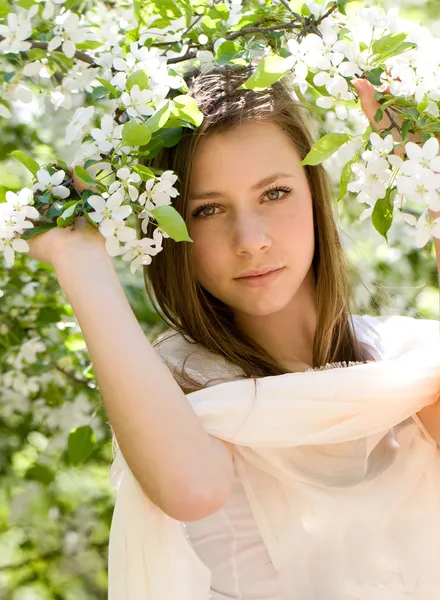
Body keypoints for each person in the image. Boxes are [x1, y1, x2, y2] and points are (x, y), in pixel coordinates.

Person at [26, 63, 440, 599]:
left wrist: (430, 179)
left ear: (314, 192)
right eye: (208, 209)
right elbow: (192, 490)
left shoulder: (403, 362)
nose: (250, 240)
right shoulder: (184, 385)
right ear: (170, 229)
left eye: (274, 194)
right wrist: (77, 258)